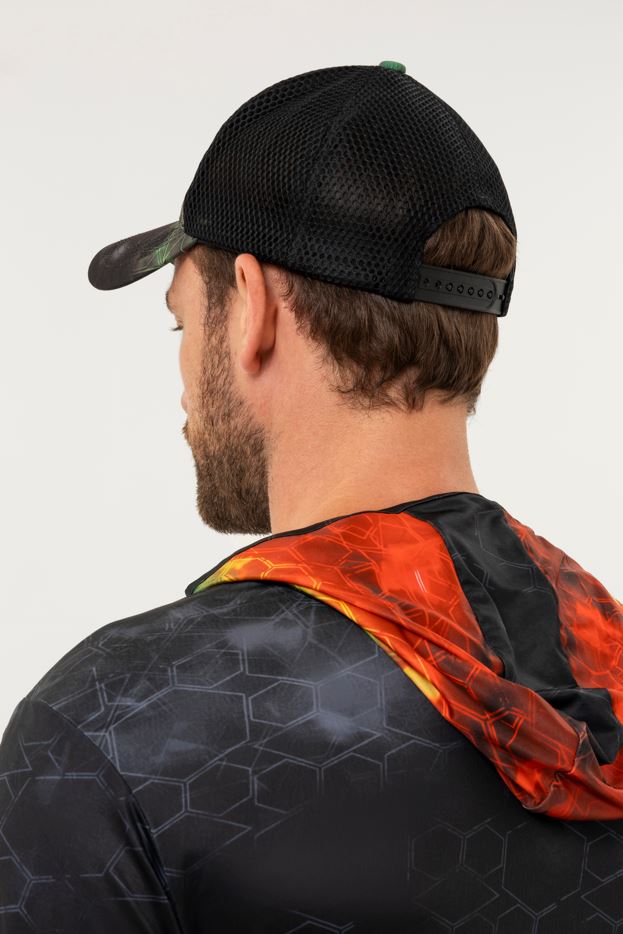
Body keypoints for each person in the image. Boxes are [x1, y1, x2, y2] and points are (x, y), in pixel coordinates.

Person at [1, 60, 622, 934]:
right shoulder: (606, 671)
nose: (181, 378)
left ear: (253, 308)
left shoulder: (114, 727)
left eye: (182, 320)